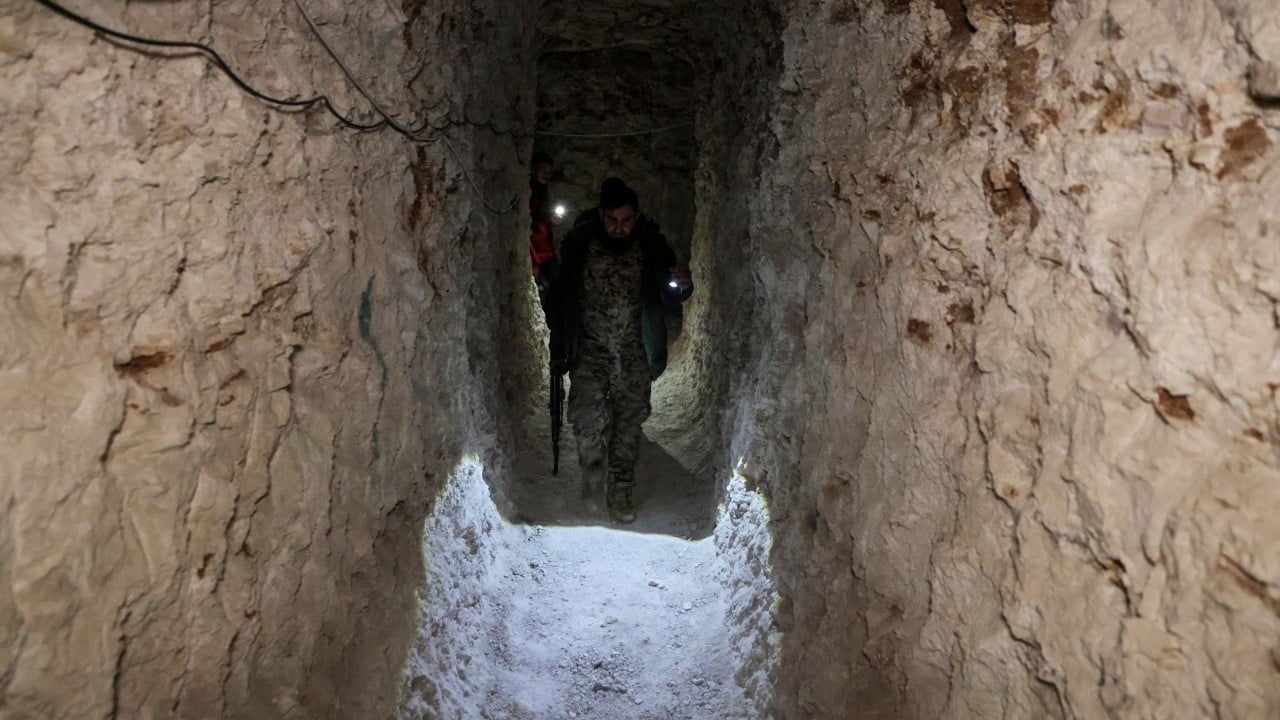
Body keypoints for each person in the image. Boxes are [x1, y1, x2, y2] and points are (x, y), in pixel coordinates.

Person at [548, 179, 693, 523]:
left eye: (625, 221)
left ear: (636, 216)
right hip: (589, 349)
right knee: (586, 421)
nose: (618, 229)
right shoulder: (580, 245)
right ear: (601, 216)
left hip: (633, 350)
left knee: (628, 424)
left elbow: (672, 290)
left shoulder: (650, 245)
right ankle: (594, 469)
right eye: (612, 221)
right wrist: (558, 348)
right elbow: (560, 303)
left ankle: (620, 490)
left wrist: (683, 285)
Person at [528, 152, 560, 308]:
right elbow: (526, 232)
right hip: (537, 255)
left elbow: (544, 222)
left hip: (547, 253)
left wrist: (552, 220)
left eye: (549, 170)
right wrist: (532, 261)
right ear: (534, 169)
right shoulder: (529, 194)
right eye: (543, 169)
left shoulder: (544, 194)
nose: (547, 173)